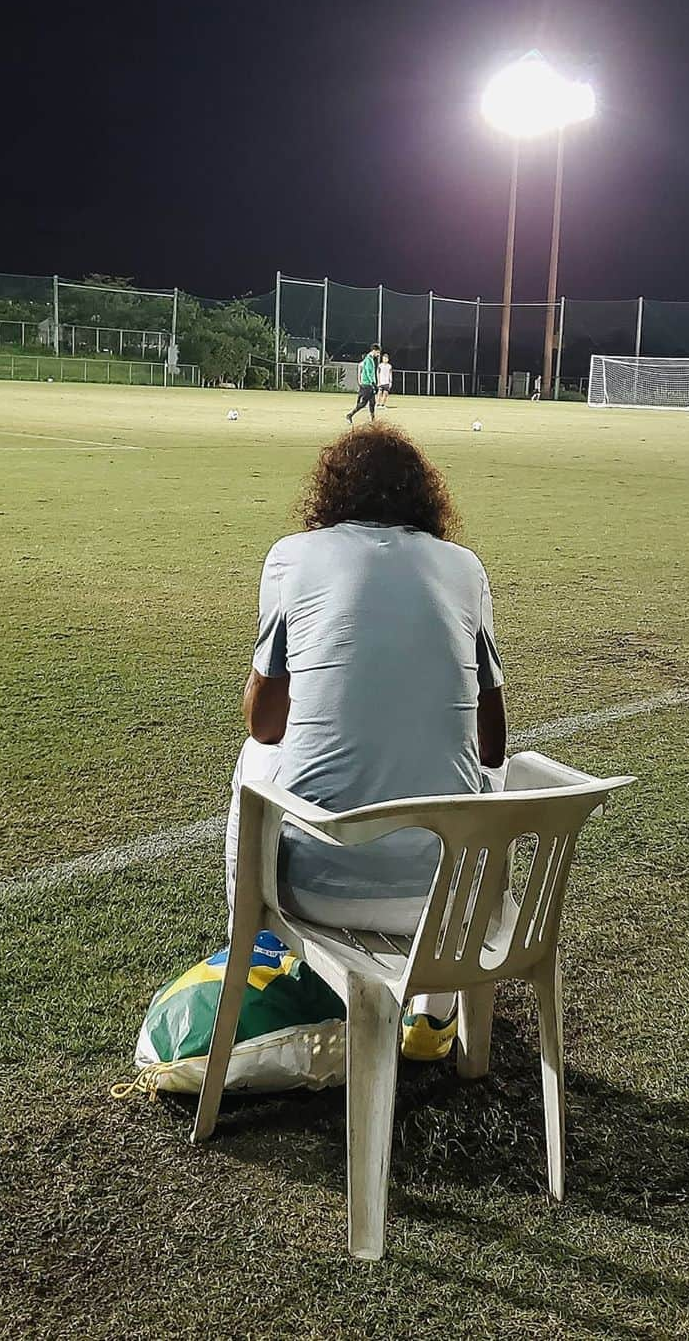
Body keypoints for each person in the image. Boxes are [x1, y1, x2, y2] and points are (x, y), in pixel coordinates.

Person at [226, 421, 507, 1061]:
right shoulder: (465, 568)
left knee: (255, 758)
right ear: (423, 497)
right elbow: (491, 746)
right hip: (451, 900)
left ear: (330, 496)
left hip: (318, 888)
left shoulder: (292, 556)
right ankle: (436, 1016)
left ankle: (256, 942)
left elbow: (264, 725)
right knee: (484, 777)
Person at [347, 344, 381, 424]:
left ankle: (373, 419)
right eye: (378, 352)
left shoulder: (371, 359)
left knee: (372, 402)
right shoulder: (368, 359)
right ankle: (350, 415)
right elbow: (368, 373)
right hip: (367, 384)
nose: (378, 354)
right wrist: (373, 383)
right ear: (374, 351)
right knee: (363, 403)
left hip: (369, 384)